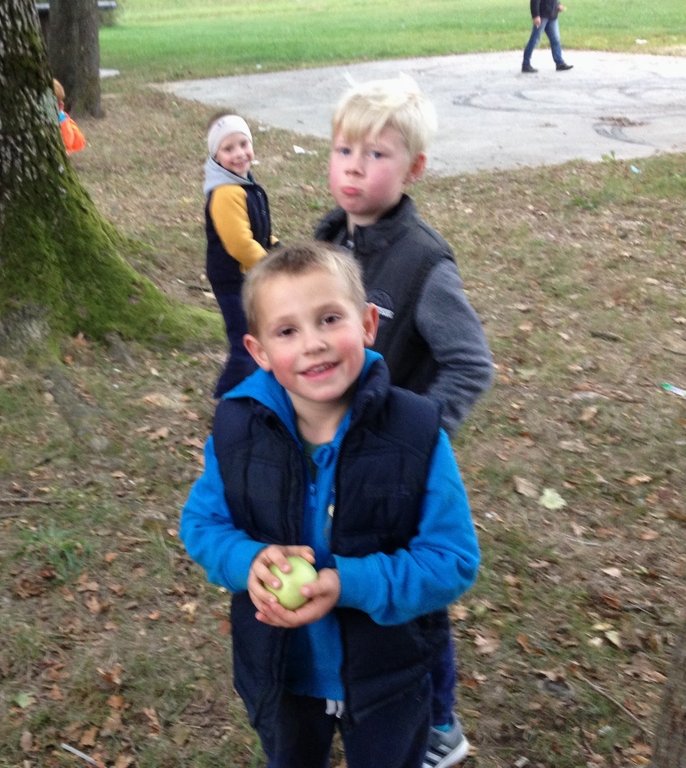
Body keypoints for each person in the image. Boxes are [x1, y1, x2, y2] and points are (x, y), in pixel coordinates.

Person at [179, 241, 480, 768]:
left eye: (329, 319)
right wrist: (246, 560)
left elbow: (452, 559)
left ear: (367, 324)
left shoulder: (416, 434)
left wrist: (349, 583)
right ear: (258, 351)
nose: (314, 343)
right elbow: (202, 524)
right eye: (287, 331)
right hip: (281, 672)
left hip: (389, 675)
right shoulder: (237, 430)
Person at [313, 75, 494, 768]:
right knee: (353, 573)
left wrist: (418, 439)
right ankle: (348, 692)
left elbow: (471, 364)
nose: (355, 168)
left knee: (415, 597)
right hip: (337, 458)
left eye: (376, 154)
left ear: (414, 168)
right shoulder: (330, 240)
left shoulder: (423, 263)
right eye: (344, 150)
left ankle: (440, 724)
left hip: (398, 469)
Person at [203, 113, 278, 398]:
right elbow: (239, 244)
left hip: (248, 276)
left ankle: (256, 389)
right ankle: (227, 396)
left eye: (243, 144)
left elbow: (258, 232)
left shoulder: (246, 185)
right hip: (232, 280)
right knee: (244, 341)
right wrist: (270, 265)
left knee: (257, 335)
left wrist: (277, 248)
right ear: (216, 157)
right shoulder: (225, 193)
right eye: (228, 148)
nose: (238, 154)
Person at [521, 0, 573, 73]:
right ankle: (526, 64)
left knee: (556, 39)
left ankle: (559, 63)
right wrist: (536, 15)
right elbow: (534, 1)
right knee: (534, 40)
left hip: (552, 16)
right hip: (542, 16)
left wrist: (558, 4)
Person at [52, 79, 86, 154]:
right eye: (57, 102)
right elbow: (69, 141)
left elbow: (78, 141)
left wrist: (63, 120)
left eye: (61, 101)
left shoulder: (62, 118)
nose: (62, 104)